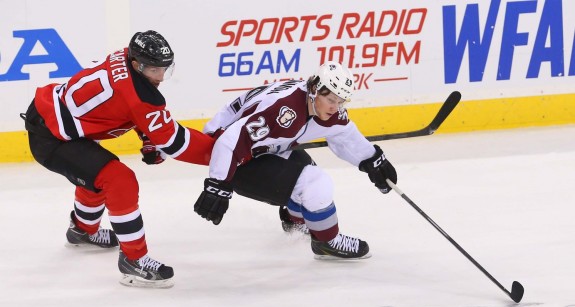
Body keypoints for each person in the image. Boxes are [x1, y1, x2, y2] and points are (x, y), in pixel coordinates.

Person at [22, 30, 214, 288]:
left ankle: (82, 230)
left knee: (97, 173)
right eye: (154, 71)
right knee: (119, 180)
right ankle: (134, 261)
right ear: (137, 65)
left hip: (54, 118)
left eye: (165, 70)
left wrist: (147, 136)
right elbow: (176, 143)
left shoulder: (125, 57)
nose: (160, 78)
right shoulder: (140, 96)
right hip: (52, 138)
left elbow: (124, 107)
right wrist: (225, 154)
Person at [193, 61, 397, 260]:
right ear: (316, 89)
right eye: (332, 100)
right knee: (314, 181)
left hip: (257, 148)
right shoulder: (285, 110)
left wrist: (374, 160)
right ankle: (327, 241)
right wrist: (218, 184)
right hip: (231, 158)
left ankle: (295, 221)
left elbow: (344, 135)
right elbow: (229, 141)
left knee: (306, 171)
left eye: (341, 101)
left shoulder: (312, 100)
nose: (336, 107)